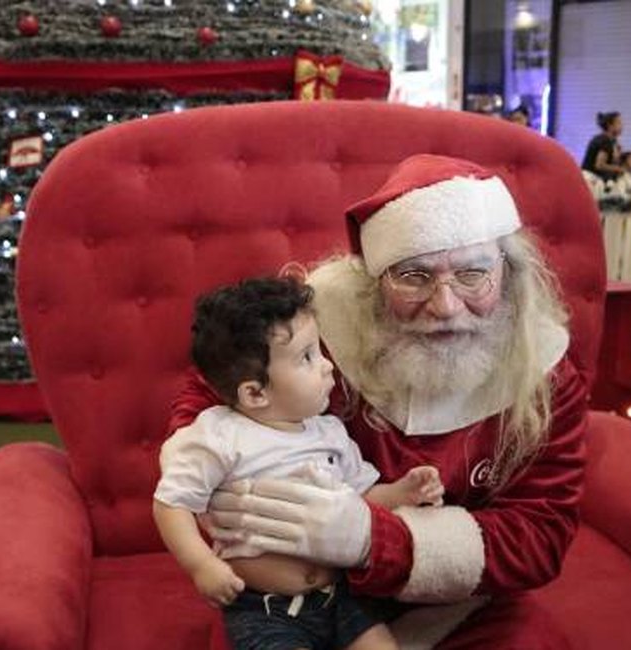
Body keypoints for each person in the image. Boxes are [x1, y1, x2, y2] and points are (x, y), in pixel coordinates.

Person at [170, 154, 588, 648]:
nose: (445, 306)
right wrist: (220, 484)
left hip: (461, 605)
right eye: (413, 276)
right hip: (295, 593)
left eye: (473, 274)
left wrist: (376, 538)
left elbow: (540, 534)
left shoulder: (547, 372)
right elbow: (216, 387)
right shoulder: (319, 325)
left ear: (509, 271)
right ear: (372, 279)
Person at [153, 277, 445, 650]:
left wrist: (405, 490)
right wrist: (200, 564)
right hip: (263, 608)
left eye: (320, 351)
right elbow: (171, 502)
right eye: (307, 357)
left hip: (340, 596)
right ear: (255, 392)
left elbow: (362, 498)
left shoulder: (329, 432)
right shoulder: (217, 437)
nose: (327, 367)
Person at [582, 111, 625, 182]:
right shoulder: (604, 140)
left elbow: (610, 162)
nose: (622, 126)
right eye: (619, 123)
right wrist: (618, 168)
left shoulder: (612, 141)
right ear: (610, 125)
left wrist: (617, 155)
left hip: (595, 178)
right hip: (590, 179)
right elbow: (599, 165)